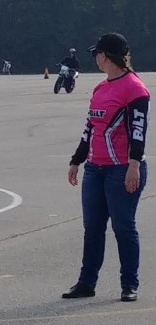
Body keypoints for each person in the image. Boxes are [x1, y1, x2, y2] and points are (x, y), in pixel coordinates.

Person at [64, 32, 149, 302]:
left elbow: (138, 130)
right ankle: (86, 283)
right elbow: (90, 127)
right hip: (95, 169)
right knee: (93, 228)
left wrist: (133, 166)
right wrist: (77, 160)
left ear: (106, 55)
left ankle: (129, 284)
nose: (95, 59)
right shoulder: (101, 88)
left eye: (97, 54)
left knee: (123, 227)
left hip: (121, 168)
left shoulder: (135, 88)